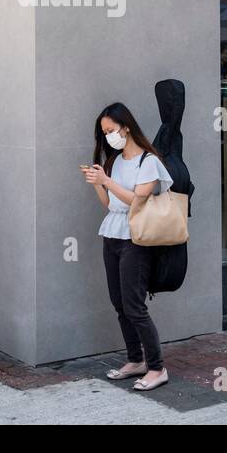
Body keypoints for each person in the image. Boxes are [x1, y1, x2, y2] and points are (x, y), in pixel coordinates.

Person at [81, 102, 172, 392]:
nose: (108, 136)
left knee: (134, 305)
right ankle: (136, 360)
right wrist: (97, 182)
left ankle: (157, 367)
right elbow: (112, 205)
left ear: (127, 127)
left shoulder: (149, 162)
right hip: (113, 235)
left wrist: (106, 180)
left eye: (111, 130)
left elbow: (138, 201)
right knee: (119, 303)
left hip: (137, 238)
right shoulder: (115, 161)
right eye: (104, 132)